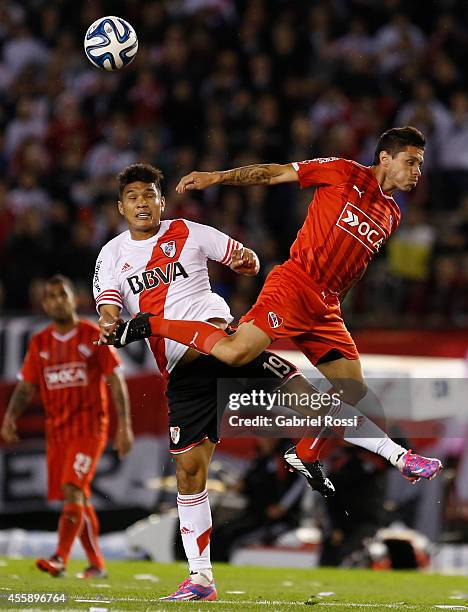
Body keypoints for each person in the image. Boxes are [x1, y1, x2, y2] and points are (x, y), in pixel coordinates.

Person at [112, 127, 442, 486]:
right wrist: (217, 177)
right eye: (410, 162)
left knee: (354, 388)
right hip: (294, 285)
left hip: (326, 308)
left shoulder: (392, 213)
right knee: (236, 353)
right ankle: (151, 325)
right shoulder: (343, 172)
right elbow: (276, 172)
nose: (416, 172)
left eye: (420, 165)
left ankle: (304, 454)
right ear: (384, 158)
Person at [93, 162, 338, 602]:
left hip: (221, 343)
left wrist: (246, 262)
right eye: (133, 197)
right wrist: (109, 324)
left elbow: (248, 260)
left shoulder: (189, 231)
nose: (142, 203)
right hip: (183, 371)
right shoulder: (111, 255)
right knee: (189, 473)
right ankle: (201, 578)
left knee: (307, 399)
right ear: (121, 207)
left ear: (161, 202)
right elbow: (109, 307)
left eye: (150, 195)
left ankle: (336, 447)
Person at [1, 275, 133, 579]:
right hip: (57, 433)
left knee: (73, 487)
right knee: (78, 496)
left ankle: (60, 557)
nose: (58, 300)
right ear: (44, 303)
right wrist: (9, 418)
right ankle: (97, 564)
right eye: (51, 296)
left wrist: (124, 425)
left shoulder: (92, 334)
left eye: (63, 294)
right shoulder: (40, 342)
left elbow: (116, 380)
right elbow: (25, 387)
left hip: (89, 429)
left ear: (74, 298)